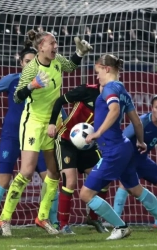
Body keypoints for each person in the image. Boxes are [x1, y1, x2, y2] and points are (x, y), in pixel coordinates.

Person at [0, 29, 92, 236]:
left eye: (56, 43)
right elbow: (17, 98)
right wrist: (32, 86)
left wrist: (80, 53)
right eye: (52, 43)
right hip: (33, 123)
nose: (55, 47)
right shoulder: (31, 69)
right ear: (41, 47)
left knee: (54, 172)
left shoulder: (57, 61)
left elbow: (71, 66)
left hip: (53, 123)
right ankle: (4, 219)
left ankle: (42, 217)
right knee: (27, 172)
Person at [0, 44, 65, 231]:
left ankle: (53, 221)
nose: (29, 64)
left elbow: (57, 105)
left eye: (32, 61)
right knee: (3, 179)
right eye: (26, 61)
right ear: (20, 63)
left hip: (37, 136)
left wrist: (66, 123)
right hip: (12, 136)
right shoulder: (13, 79)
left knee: (51, 176)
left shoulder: (46, 80)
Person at [79, 54, 157, 240]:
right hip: (124, 148)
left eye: (97, 71)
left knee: (85, 194)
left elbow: (114, 110)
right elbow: (137, 123)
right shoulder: (123, 90)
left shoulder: (110, 88)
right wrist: (140, 141)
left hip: (113, 150)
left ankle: (120, 227)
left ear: (106, 69)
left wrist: (97, 133)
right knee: (135, 188)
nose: (96, 76)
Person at [47, 83, 109, 234]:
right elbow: (59, 101)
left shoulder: (112, 100)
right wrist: (51, 123)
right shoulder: (86, 90)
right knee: (70, 180)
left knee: (105, 177)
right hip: (66, 140)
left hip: (88, 144)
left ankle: (93, 218)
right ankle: (63, 225)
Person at [113, 94, 157, 227]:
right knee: (125, 185)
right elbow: (123, 137)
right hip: (129, 160)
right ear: (151, 108)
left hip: (143, 161)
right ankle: (115, 222)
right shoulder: (142, 121)